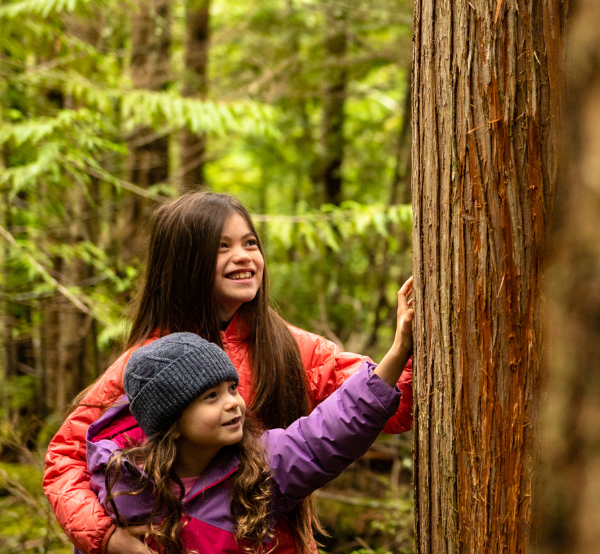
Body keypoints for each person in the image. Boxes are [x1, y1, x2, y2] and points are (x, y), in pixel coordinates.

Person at [43, 192, 415, 554]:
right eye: (222, 247)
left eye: (250, 243)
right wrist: (107, 538)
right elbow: (66, 459)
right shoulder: (148, 366)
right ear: (185, 262)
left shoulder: (293, 348)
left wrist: (412, 338)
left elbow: (390, 404)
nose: (243, 257)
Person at [85, 330, 409, 554]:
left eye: (232, 388)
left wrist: (398, 351)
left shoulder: (261, 468)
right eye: (211, 396)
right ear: (173, 423)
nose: (232, 403)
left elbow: (330, 430)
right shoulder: (124, 486)